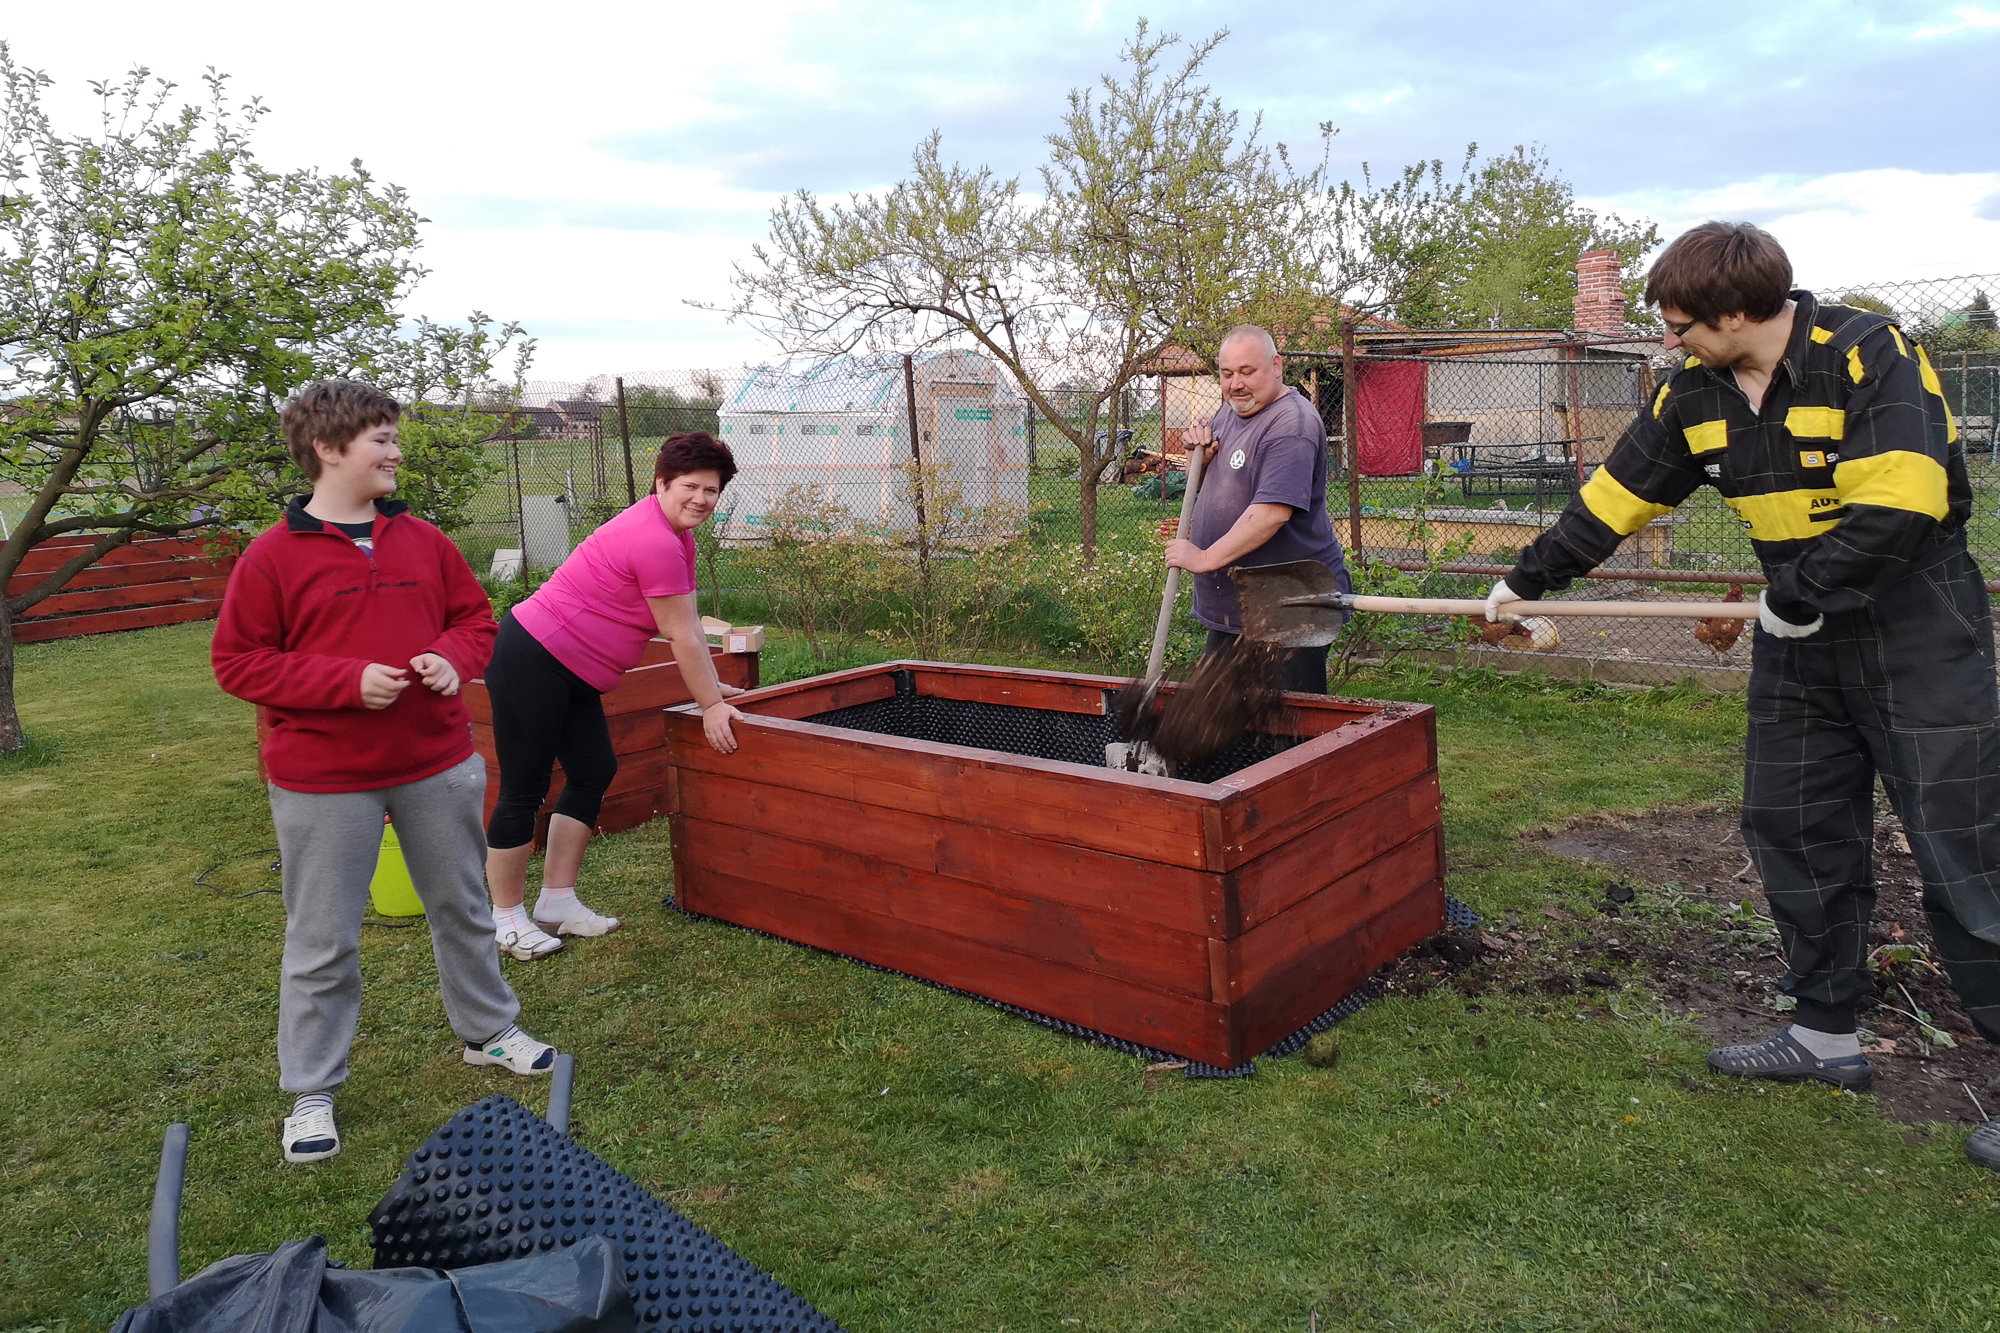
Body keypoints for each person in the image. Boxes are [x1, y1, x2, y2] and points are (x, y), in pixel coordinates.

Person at [1486, 222, 2000, 1171]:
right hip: (1799, 635)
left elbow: (1901, 505)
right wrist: (1527, 578)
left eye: (1680, 324)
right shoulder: (1694, 393)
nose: (1669, 340)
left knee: (1965, 847)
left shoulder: (1868, 353)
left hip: (1916, 623)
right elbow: (1617, 495)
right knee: (1793, 822)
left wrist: (1800, 594)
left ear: (1734, 314)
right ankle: (1824, 1032)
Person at [212, 380, 555, 1166]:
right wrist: (343, 682)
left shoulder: (425, 540)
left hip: (436, 763)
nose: (396, 451)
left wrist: (452, 656)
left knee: (463, 906)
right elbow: (238, 662)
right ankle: (311, 1089)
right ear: (329, 448)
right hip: (324, 779)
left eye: (395, 437)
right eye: (382, 439)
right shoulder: (271, 557)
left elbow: (475, 621)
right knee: (323, 936)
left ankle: (488, 1031)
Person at [482, 432, 746, 959]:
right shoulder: (654, 539)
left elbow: (688, 621)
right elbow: (679, 634)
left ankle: (557, 902)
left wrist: (711, 686)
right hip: (533, 657)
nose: (701, 499)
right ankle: (505, 918)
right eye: (690, 486)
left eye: (711, 490)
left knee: (592, 770)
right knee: (524, 788)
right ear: (662, 483)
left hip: (571, 669)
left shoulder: (677, 537)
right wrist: (711, 706)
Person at [1163, 323, 1351, 692]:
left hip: (1288, 604)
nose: (1236, 384)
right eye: (1227, 373)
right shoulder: (1229, 412)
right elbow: (1200, 483)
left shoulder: (1291, 425)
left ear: (1276, 366)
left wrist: (1204, 558)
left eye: (1247, 371)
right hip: (1238, 603)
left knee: (1288, 719)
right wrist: (1199, 459)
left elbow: (1272, 513)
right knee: (1219, 714)